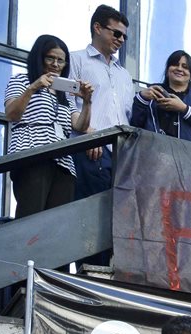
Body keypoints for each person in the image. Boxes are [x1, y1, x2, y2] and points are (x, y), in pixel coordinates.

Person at [4, 35, 92, 217]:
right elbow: (12, 114)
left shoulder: (65, 93)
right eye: (50, 58)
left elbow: (79, 125)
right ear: (40, 57)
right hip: (33, 155)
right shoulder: (21, 80)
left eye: (61, 61)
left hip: (64, 163)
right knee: (31, 218)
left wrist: (87, 102)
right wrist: (33, 88)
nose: (55, 64)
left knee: (56, 226)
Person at [68, 4, 132, 198]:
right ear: (97, 28)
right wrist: (88, 135)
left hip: (122, 156)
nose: (121, 40)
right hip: (90, 149)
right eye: (116, 33)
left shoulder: (125, 75)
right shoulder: (75, 60)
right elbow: (66, 104)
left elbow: (127, 115)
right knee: (89, 214)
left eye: (124, 36)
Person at [130, 51, 191, 147]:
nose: (179, 69)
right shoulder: (152, 92)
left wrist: (185, 110)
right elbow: (136, 126)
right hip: (155, 153)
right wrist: (141, 99)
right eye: (175, 64)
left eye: (185, 67)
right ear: (167, 71)